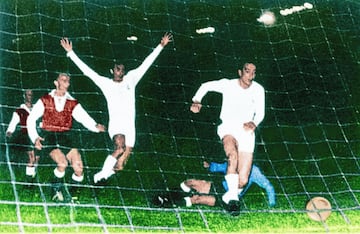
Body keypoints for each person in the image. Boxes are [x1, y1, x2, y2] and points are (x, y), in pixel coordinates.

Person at [60, 32, 173, 184]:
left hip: (130, 126)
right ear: (112, 71)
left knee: (121, 165)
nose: (121, 71)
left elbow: (146, 63)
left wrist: (161, 45)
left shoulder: (131, 79)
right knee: (119, 147)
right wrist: (71, 53)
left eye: (122, 69)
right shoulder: (106, 83)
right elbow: (87, 72)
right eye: (117, 69)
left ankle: (100, 177)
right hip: (116, 125)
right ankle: (99, 178)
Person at [190, 63, 265, 213]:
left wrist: (254, 123)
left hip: (247, 133)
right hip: (228, 129)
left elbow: (261, 112)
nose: (251, 75)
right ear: (239, 72)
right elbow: (205, 86)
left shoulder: (258, 89)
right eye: (247, 71)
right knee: (232, 156)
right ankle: (232, 200)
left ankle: (226, 197)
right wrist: (197, 101)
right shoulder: (227, 84)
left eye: (254, 72)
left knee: (242, 181)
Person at [27, 73, 105, 201]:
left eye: (68, 81)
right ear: (56, 83)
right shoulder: (45, 100)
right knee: (62, 163)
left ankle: (73, 195)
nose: (66, 83)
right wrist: (35, 137)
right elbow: (31, 119)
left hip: (66, 137)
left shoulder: (72, 102)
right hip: (49, 136)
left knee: (79, 168)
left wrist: (95, 127)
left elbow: (84, 118)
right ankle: (55, 189)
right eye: (63, 80)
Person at [203, 161, 275, 207]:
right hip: (221, 186)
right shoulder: (235, 160)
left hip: (232, 197)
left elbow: (268, 187)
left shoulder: (254, 170)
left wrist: (272, 203)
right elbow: (221, 167)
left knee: (201, 199)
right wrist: (209, 166)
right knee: (196, 183)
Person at [6, 89, 39, 183]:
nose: (30, 96)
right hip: (26, 136)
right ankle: (28, 183)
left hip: (37, 135)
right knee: (31, 157)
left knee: (36, 159)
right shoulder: (19, 110)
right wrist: (9, 131)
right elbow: (13, 122)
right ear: (24, 96)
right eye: (28, 95)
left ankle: (32, 177)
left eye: (31, 94)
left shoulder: (37, 108)